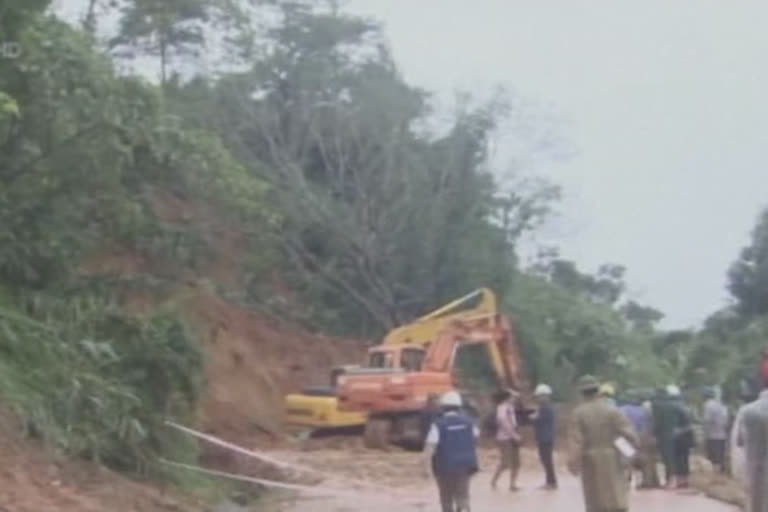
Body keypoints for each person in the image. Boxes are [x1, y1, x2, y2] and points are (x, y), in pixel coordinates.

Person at [567, 375, 638, 512]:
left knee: (595, 499)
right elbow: (630, 434)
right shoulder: (612, 410)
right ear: (598, 390)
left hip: (590, 460)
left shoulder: (578, 413)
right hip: (613, 458)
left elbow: (576, 441)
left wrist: (573, 463)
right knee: (616, 494)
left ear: (582, 393)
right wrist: (630, 454)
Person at [423, 390, 479, 512]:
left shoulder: (438, 425)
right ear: (459, 407)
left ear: (443, 408)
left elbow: (429, 449)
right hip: (466, 465)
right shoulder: (469, 422)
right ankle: (464, 508)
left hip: (445, 466)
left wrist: (426, 469)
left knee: (446, 498)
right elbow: (475, 439)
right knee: (463, 495)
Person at [619, 390, 658, 489]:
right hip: (641, 436)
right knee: (644, 460)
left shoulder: (621, 409)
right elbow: (649, 426)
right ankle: (645, 481)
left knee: (625, 459)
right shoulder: (644, 411)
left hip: (624, 437)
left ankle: (625, 480)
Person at [491, 389, 522, 491]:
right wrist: (513, 435)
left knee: (516, 462)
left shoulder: (511, 407)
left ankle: (512, 484)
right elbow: (502, 420)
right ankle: (494, 480)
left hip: (513, 436)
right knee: (506, 462)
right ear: (508, 398)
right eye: (512, 397)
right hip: (505, 438)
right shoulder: (502, 407)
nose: (514, 399)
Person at [531, 383, 558, 490]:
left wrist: (533, 418)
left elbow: (540, 419)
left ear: (544, 395)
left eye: (540, 396)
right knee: (546, 460)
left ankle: (551, 482)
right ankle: (550, 481)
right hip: (545, 437)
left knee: (547, 460)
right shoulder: (544, 406)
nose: (538, 398)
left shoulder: (545, 407)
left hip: (545, 438)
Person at [668, 384, 694, 489]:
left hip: (678, 436)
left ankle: (680, 480)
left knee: (678, 458)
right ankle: (685, 480)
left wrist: (677, 431)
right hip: (686, 436)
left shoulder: (674, 407)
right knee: (684, 458)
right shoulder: (685, 406)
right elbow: (690, 424)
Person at [652, 386, 677, 488]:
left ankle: (670, 480)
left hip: (663, 434)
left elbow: (657, 421)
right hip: (673, 433)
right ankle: (672, 479)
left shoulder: (657, 405)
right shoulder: (672, 404)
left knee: (666, 458)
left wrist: (654, 433)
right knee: (671, 457)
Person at [702, 387, 729, 473]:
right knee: (720, 456)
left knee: (714, 458)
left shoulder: (708, 404)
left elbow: (707, 420)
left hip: (712, 435)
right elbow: (726, 420)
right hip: (722, 434)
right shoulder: (722, 405)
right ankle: (721, 474)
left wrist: (705, 434)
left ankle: (716, 476)